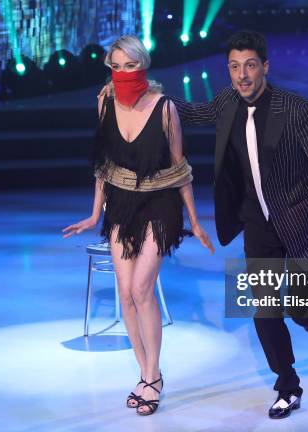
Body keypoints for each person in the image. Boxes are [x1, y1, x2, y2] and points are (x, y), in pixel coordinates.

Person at [102, 30, 308, 419]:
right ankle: (287, 386)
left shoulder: (297, 111)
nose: (242, 75)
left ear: (265, 67)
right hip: (258, 225)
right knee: (264, 310)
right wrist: (132, 92)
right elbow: (183, 112)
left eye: (250, 66)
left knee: (304, 313)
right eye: (234, 67)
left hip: (302, 222)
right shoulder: (226, 103)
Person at [63, 35, 214, 416]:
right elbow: (103, 163)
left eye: (131, 66)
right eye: (117, 66)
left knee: (143, 288)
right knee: (126, 292)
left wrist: (195, 222)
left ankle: (152, 376)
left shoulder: (164, 109)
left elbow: (181, 170)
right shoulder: (103, 101)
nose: (124, 73)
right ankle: (147, 373)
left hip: (159, 201)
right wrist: (95, 214)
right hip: (120, 203)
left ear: (143, 66)